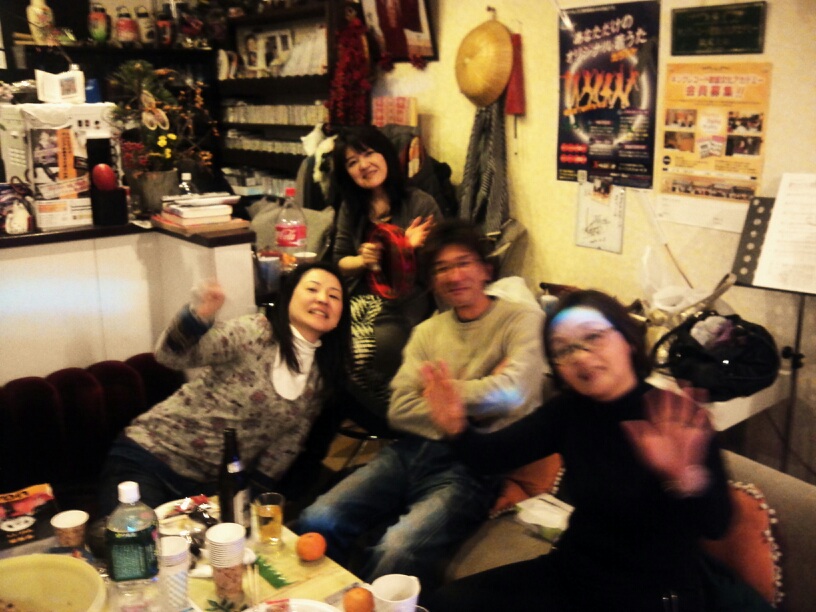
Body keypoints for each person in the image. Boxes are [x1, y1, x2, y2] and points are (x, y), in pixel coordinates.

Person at [423, 289, 774, 612]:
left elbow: (716, 525)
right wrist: (456, 428)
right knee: (448, 603)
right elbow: (490, 457)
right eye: (563, 349)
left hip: (650, 593)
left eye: (593, 337)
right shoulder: (568, 411)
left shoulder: (675, 416)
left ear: (628, 341)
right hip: (574, 573)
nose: (579, 356)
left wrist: (685, 478)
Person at [296, 219, 547, 590]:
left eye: (463, 263)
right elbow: (399, 410)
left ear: (486, 270)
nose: (454, 276)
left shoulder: (523, 320)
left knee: (396, 550)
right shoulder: (427, 332)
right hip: (409, 452)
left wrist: (442, 395)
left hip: (474, 466)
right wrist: (480, 394)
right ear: (431, 280)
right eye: (441, 268)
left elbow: (515, 394)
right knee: (318, 519)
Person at [97, 262, 351, 516]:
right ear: (289, 297)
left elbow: (286, 444)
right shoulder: (255, 332)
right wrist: (198, 317)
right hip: (150, 458)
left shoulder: (320, 376)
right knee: (139, 539)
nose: (322, 299)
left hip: (209, 488)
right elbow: (169, 356)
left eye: (333, 296)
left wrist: (251, 499)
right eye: (312, 289)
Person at [332, 124, 441, 411]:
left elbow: (438, 265)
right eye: (352, 162)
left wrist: (404, 247)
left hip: (403, 302)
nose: (363, 165)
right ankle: (360, 408)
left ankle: (384, 412)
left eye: (369, 153)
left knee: (372, 346)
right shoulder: (351, 207)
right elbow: (340, 261)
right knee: (325, 339)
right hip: (358, 298)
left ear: (385, 155)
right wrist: (362, 260)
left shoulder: (420, 203)